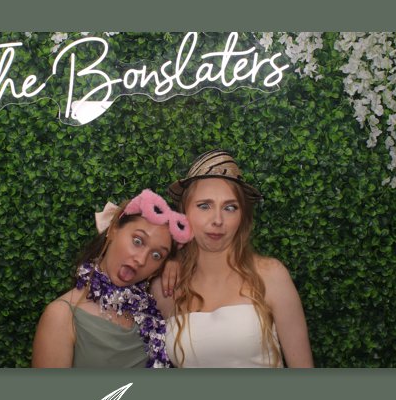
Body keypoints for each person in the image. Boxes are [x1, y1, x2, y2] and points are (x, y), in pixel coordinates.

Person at [155, 151, 313, 368]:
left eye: (230, 208)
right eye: (204, 206)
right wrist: (169, 257)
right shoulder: (166, 285)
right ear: (184, 212)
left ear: (242, 217)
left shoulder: (270, 275)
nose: (217, 220)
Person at [32, 191, 192, 369]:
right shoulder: (61, 315)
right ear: (113, 229)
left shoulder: (153, 310)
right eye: (138, 241)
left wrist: (176, 262)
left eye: (156, 255)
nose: (141, 260)